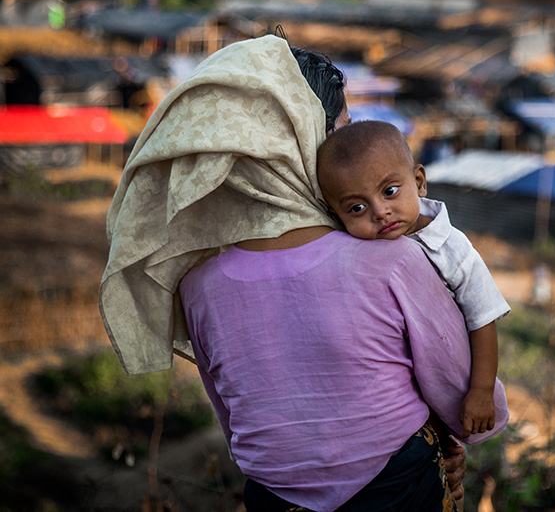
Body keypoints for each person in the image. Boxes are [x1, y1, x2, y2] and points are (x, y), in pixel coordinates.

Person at [100, 35, 505, 510]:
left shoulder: (198, 286)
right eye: (338, 132)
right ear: (296, 140)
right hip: (395, 484)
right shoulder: (390, 258)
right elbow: (455, 385)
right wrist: (454, 438)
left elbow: (236, 416)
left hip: (273, 497)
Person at [317, 121, 511, 438]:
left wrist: (481, 390)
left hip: (454, 386)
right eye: (357, 207)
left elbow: (483, 318)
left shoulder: (453, 248)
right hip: (395, 398)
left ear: (419, 182)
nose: (380, 212)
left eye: (390, 191)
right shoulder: (352, 254)